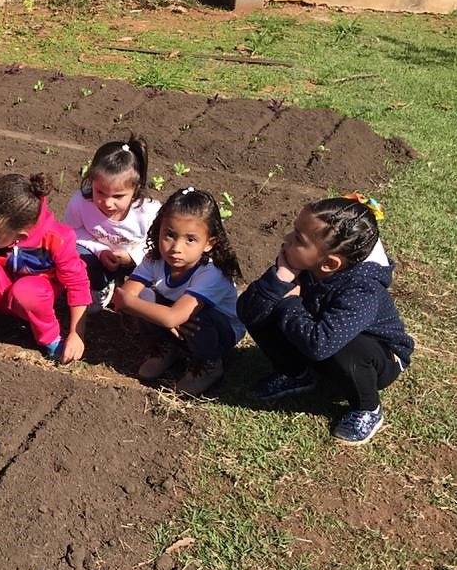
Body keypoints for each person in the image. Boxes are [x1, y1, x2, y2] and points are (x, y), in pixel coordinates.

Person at [237, 194, 414, 445]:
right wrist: (278, 280)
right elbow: (248, 310)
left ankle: (367, 408)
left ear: (330, 263)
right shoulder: (302, 265)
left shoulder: (363, 289)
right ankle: (298, 374)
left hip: (378, 358)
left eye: (298, 238)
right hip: (319, 341)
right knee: (266, 306)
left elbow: (321, 345)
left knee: (346, 348)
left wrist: (289, 302)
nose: (286, 239)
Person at [0, 173, 91, 363]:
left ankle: (49, 335)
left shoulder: (57, 239)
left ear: (20, 236)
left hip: (33, 298)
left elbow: (78, 284)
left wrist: (77, 334)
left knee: (28, 291)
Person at [113, 187, 243, 394]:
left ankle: (208, 363)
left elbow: (132, 302)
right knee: (146, 296)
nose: (176, 248)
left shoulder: (211, 273)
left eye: (190, 239)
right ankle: (168, 348)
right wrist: (160, 315)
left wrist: (135, 304)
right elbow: (120, 299)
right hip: (177, 314)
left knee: (197, 317)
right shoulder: (154, 259)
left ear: (209, 244)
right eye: (170, 235)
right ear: (158, 232)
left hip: (218, 328)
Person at [63, 137, 160, 309]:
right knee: (74, 252)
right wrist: (100, 251)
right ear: (91, 180)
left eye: (118, 196)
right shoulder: (80, 202)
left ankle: (133, 290)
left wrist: (132, 256)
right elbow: (71, 232)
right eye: (99, 192)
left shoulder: (148, 211)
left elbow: (158, 243)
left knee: (158, 267)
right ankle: (100, 285)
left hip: (136, 264)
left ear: (136, 189)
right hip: (97, 257)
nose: (107, 203)